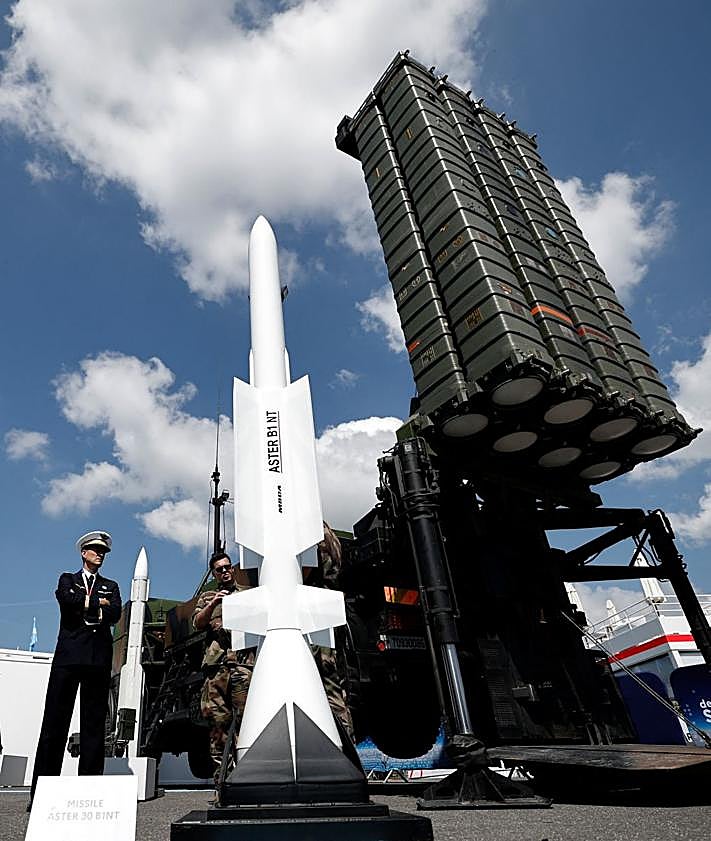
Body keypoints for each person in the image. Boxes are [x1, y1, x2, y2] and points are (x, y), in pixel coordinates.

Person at [29, 531, 122, 808]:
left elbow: (115, 612)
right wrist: (96, 604)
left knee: (94, 726)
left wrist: (89, 605)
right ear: (83, 553)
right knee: (54, 724)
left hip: (98, 659)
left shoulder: (111, 585)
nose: (100, 554)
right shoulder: (67, 579)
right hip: (68, 658)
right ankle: (42, 792)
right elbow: (67, 603)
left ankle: (89, 789)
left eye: (103, 551)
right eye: (95, 550)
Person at [192, 551, 255, 783]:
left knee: (246, 721)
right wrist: (214, 604)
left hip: (242, 666)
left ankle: (247, 777)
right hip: (216, 669)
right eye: (220, 569)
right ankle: (223, 781)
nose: (225, 571)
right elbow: (197, 623)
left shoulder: (248, 595)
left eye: (228, 567)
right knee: (218, 725)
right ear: (214, 573)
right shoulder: (207, 597)